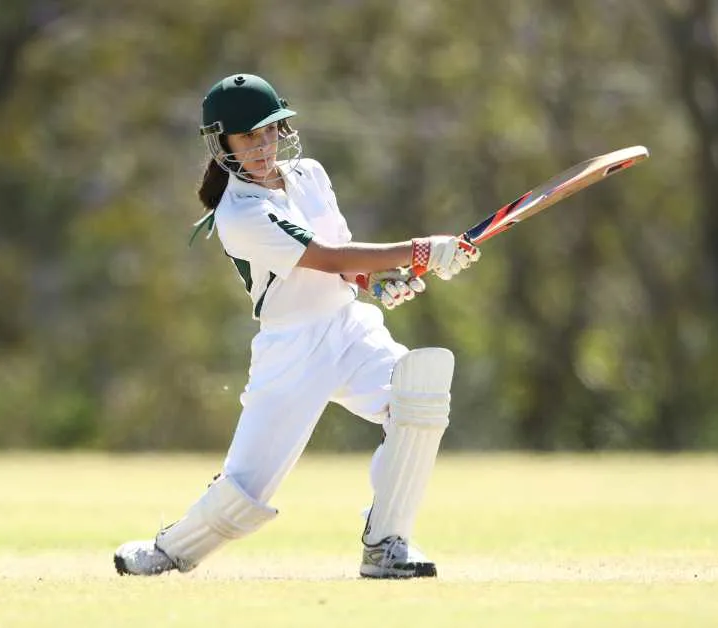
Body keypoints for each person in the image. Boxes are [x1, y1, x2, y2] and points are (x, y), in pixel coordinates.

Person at [113, 73, 479, 579]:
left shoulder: (309, 174)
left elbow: (344, 260)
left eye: (268, 132)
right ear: (222, 145)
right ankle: (170, 550)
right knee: (245, 491)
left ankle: (386, 544)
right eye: (247, 137)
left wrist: (376, 284)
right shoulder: (239, 213)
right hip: (292, 349)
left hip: (349, 328)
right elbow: (323, 257)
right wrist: (421, 250)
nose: (262, 147)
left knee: (419, 398)